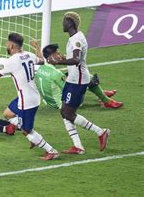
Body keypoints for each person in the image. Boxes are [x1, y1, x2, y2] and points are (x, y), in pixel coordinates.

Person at [0, 33, 60, 161]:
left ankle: (51, 150)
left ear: (11, 45)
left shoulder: (12, 61)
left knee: (25, 130)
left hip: (26, 101)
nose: (6, 45)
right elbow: (42, 60)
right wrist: (36, 47)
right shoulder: (30, 55)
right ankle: (32, 137)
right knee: (7, 114)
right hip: (30, 96)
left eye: (7, 43)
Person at [47, 12, 110, 155]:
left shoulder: (77, 40)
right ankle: (78, 146)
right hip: (72, 80)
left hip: (78, 82)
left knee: (69, 113)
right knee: (64, 112)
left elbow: (76, 60)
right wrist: (64, 58)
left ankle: (101, 132)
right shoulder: (75, 38)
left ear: (70, 23)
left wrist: (58, 61)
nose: (62, 24)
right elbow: (74, 58)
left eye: (64, 21)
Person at [35, 43, 123, 109]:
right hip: (64, 104)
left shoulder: (41, 67)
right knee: (87, 78)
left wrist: (37, 48)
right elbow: (69, 90)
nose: (60, 55)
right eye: (57, 54)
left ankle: (100, 93)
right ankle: (106, 100)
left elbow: (41, 58)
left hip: (49, 101)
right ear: (50, 58)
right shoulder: (57, 74)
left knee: (75, 75)